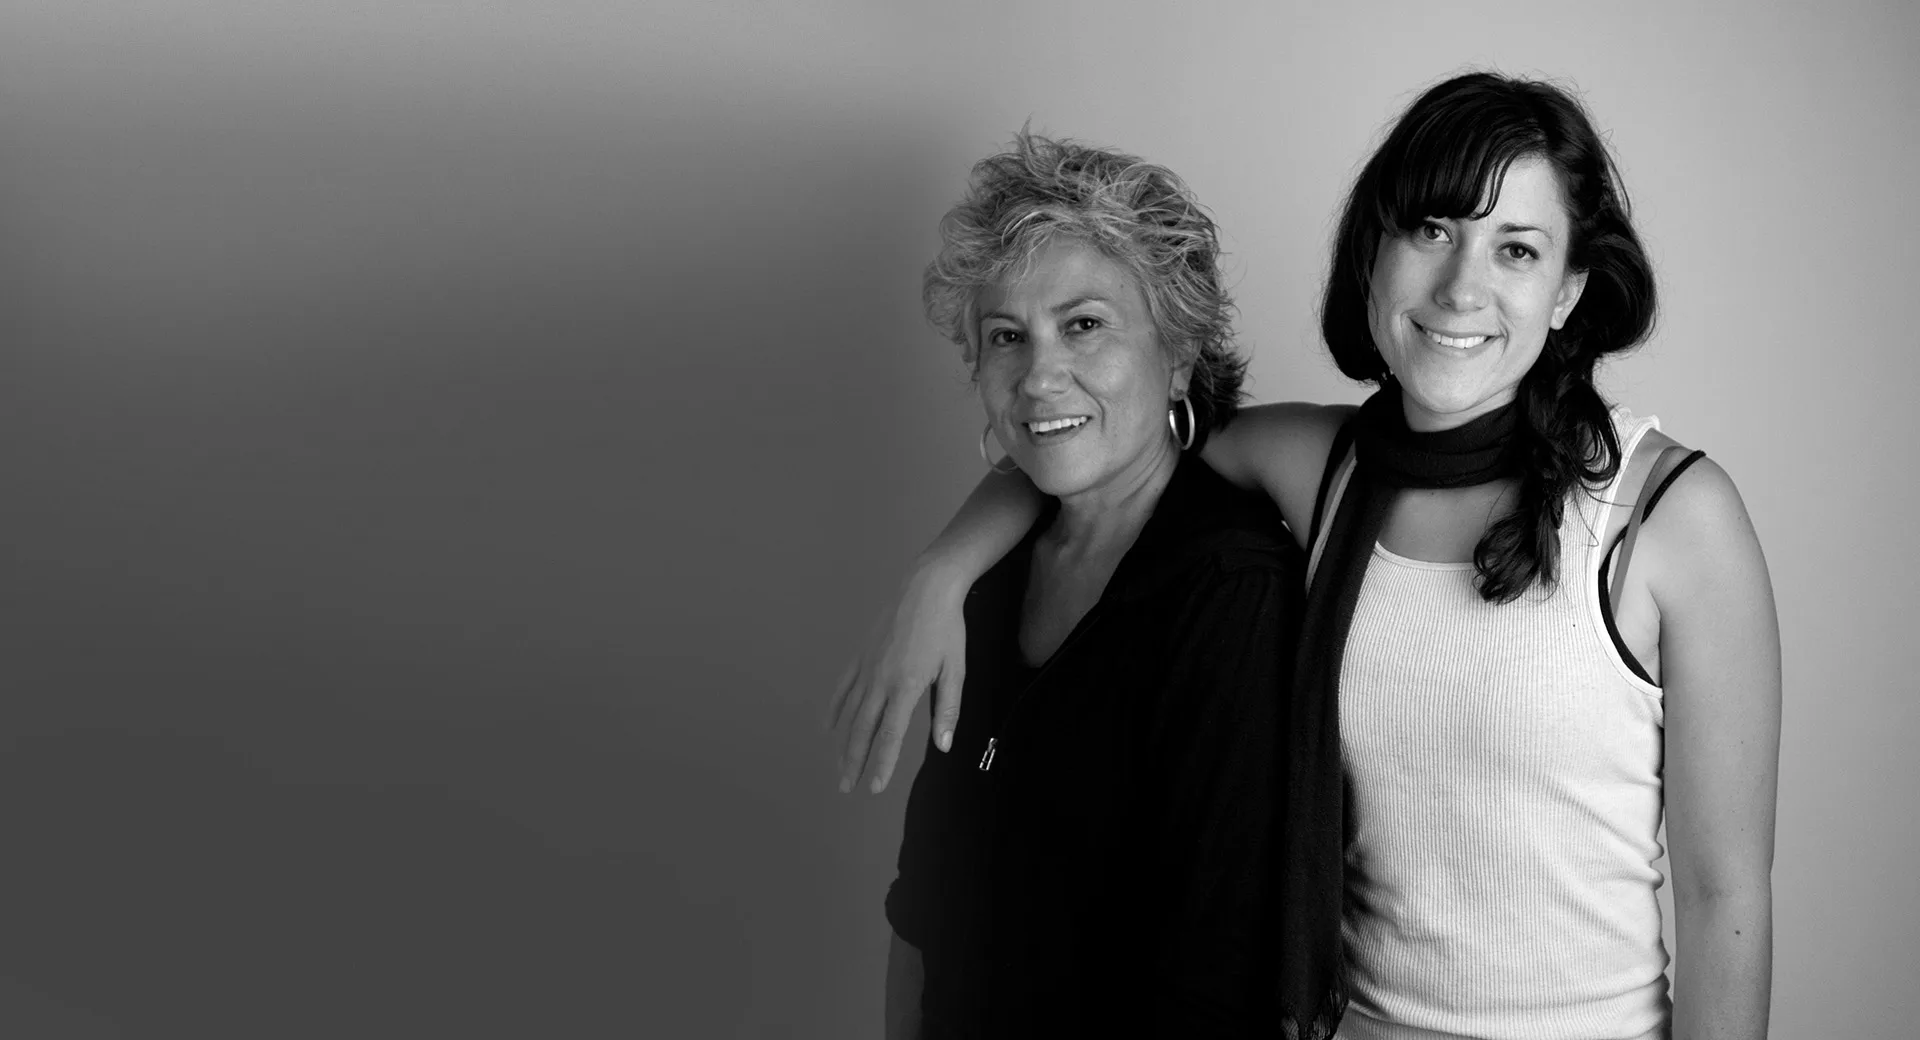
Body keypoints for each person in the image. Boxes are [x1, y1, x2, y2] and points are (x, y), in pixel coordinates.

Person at [833, 73, 1781, 1040]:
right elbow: (1090, 437)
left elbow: (1722, 898)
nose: (1462, 287)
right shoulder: (1323, 468)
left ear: (1570, 288)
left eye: (1518, 249)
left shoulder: (1670, 519)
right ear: (1373, 250)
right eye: (1431, 230)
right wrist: (941, 572)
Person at [828, 132, 1343, 1037]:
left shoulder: (1230, 590)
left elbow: (1212, 988)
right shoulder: (989, 581)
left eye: (1085, 324)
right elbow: (923, 908)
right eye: (1005, 338)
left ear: (1178, 352)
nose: (1039, 376)